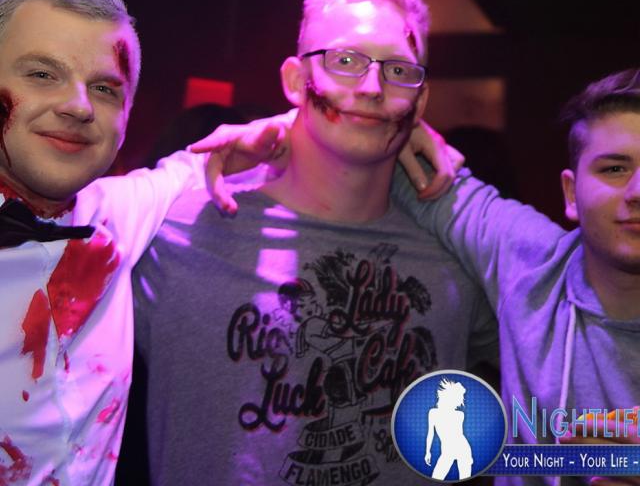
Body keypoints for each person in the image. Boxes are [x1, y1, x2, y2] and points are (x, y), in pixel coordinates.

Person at [132, 0, 498, 485]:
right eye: (345, 60)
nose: (371, 87)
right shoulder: (178, 234)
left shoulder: (456, 260)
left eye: (398, 70)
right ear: (295, 79)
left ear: (420, 100)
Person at [195, 67, 640, 486]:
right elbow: (402, 173)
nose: (637, 192)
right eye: (615, 169)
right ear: (570, 192)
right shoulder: (532, 263)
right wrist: (295, 130)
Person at [0, 0, 210, 486]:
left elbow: (202, 163)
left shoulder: (114, 214)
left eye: (103, 88)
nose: (79, 106)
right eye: (42, 74)